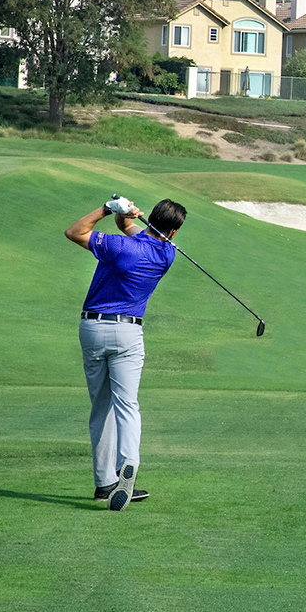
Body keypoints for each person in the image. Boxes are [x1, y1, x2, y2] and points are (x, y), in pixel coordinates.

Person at [64, 196, 187, 511]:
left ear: (152, 218)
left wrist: (109, 209)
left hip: (93, 328)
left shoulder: (118, 247)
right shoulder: (167, 254)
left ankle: (105, 482)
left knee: (101, 408)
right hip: (129, 333)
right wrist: (126, 216)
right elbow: (132, 230)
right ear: (173, 232)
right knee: (127, 405)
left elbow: (75, 232)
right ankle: (128, 462)